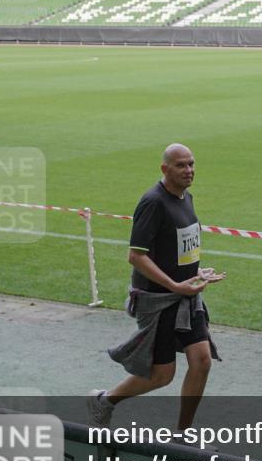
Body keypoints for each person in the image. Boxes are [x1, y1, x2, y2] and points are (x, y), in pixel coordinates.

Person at [88, 143, 224, 431]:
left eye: (191, 164)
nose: (189, 170)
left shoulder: (186, 198)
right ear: (165, 169)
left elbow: (177, 247)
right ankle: (106, 401)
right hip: (160, 300)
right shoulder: (153, 203)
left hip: (186, 295)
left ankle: (182, 434)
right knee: (162, 375)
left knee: (201, 361)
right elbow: (136, 256)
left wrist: (196, 272)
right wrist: (176, 285)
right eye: (181, 165)